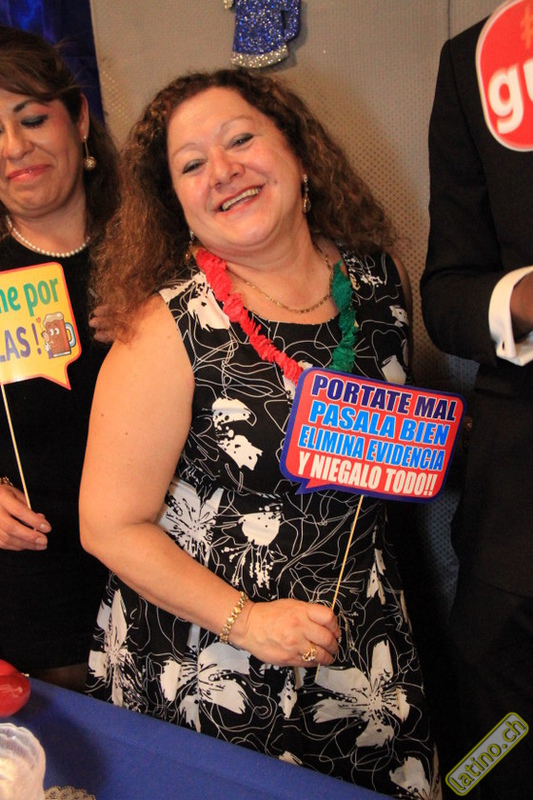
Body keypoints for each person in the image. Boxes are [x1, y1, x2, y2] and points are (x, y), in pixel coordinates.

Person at [79, 68, 441, 798]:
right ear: (177, 204)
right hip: (213, 669)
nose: (222, 171)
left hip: (361, 647)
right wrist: (247, 623)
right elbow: (108, 526)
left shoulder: (377, 283)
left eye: (240, 139)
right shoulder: (165, 328)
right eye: (191, 165)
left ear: (298, 153)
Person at [421, 15, 533, 799]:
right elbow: (448, 294)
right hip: (514, 533)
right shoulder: (477, 59)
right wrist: (522, 299)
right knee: (488, 761)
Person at [0, 26, 120, 692]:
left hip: (179, 571)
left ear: (77, 118)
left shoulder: (160, 249)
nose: (14, 148)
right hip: (41, 592)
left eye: (31, 119)